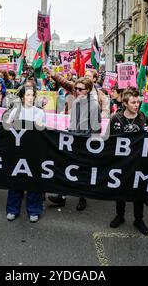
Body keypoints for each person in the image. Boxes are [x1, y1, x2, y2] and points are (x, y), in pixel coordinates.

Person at [47, 77, 102, 211]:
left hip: (84, 143)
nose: (76, 91)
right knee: (66, 168)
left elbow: (96, 129)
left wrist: (87, 142)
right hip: (72, 140)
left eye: (80, 89)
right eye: (76, 88)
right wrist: (68, 132)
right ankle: (62, 196)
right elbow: (73, 122)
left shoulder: (94, 105)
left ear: (88, 90)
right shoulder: (77, 101)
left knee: (81, 171)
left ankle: (82, 198)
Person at [108, 88, 148, 235]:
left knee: (138, 191)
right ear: (125, 103)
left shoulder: (142, 117)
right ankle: (119, 216)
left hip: (138, 161)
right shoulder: (116, 118)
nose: (137, 105)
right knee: (120, 190)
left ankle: (138, 219)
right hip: (121, 162)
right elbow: (108, 139)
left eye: (138, 102)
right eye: (133, 102)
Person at [4, 83, 45, 222]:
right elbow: (7, 126)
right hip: (17, 152)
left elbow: (41, 130)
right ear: (22, 97)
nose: (30, 97)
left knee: (33, 181)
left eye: (32, 94)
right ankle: (12, 208)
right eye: (27, 94)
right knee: (16, 180)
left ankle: (34, 210)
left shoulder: (40, 112)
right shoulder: (15, 111)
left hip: (33, 152)